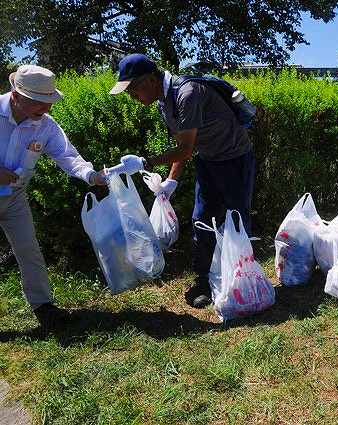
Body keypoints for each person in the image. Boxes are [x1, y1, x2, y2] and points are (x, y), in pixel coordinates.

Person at [109, 54, 255, 308]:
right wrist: (170, 181)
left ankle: (243, 279)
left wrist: (145, 163)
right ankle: (203, 280)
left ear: (151, 79)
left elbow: (185, 149)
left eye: (133, 89)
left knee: (237, 218)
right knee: (202, 219)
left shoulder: (187, 94)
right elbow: (184, 146)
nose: (132, 96)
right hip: (208, 160)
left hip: (234, 159)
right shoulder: (165, 102)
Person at [1, 65, 106, 329]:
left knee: (29, 250)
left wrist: (91, 176)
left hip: (14, 198)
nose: (47, 109)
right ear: (16, 96)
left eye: (49, 101)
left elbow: (68, 157)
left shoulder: (46, 126)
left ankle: (44, 307)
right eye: (39, 102)